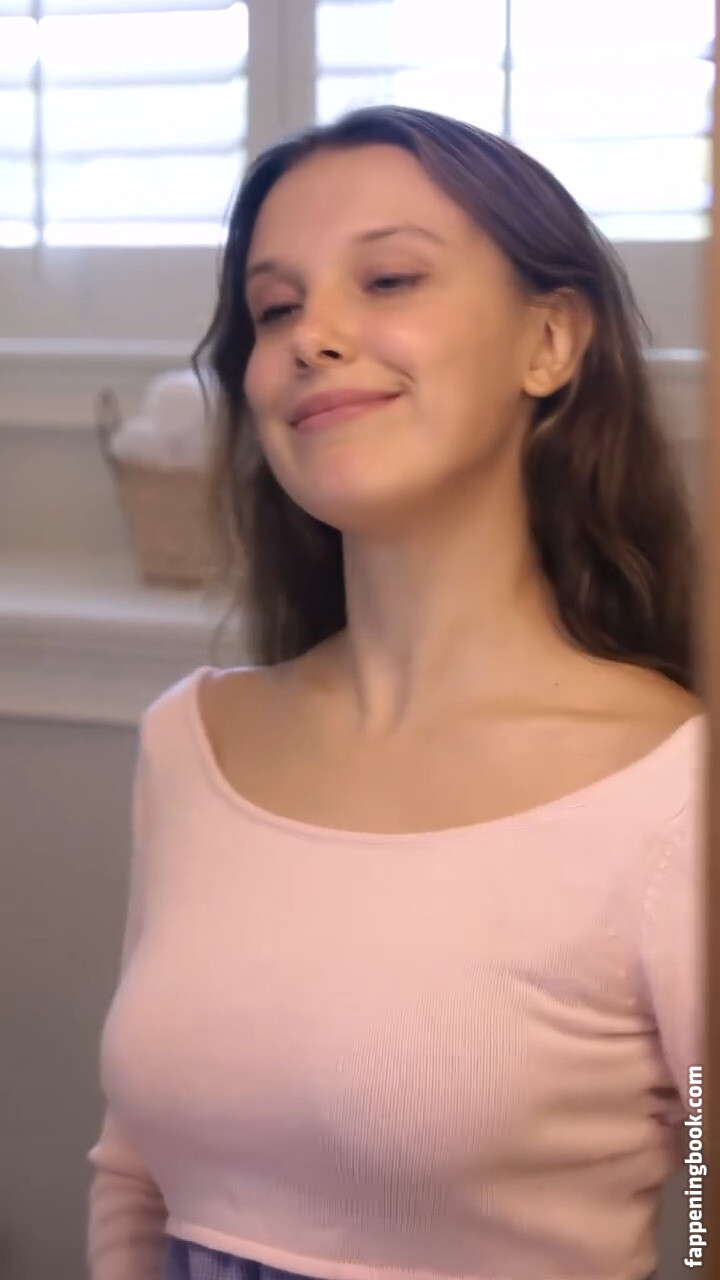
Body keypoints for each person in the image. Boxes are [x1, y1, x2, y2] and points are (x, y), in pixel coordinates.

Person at [86, 106, 706, 1280]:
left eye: (389, 278)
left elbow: (706, 1190)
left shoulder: (676, 795)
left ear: (549, 342)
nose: (312, 336)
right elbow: (135, 1166)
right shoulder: (188, 743)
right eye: (276, 307)